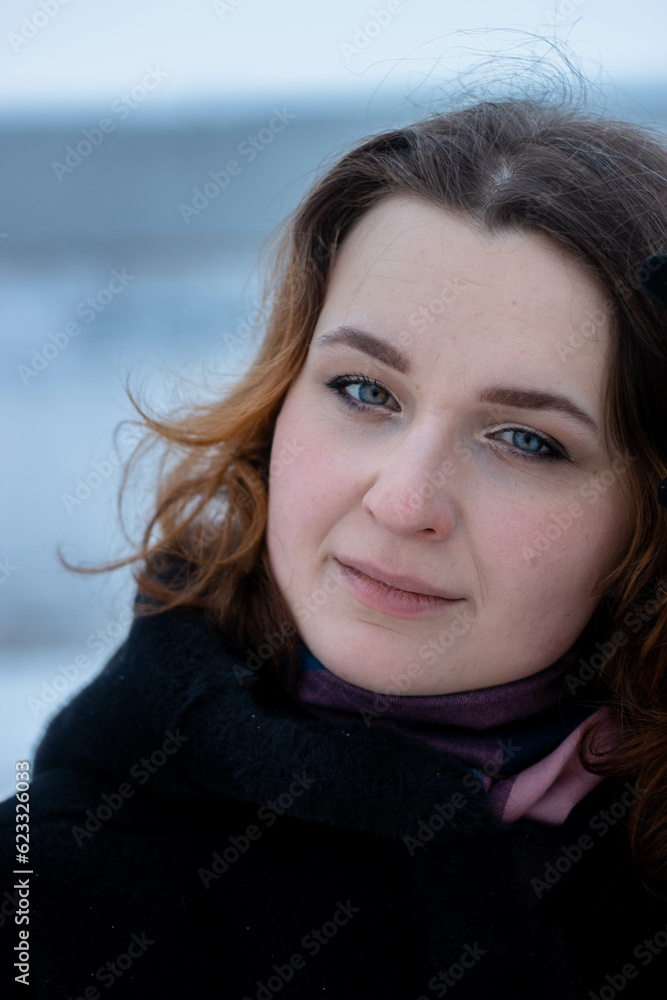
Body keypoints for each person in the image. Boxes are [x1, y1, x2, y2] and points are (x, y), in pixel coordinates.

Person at [2, 94, 667, 1000]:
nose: (402, 502)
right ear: (280, 395)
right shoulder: (50, 893)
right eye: (364, 390)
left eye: (525, 440)